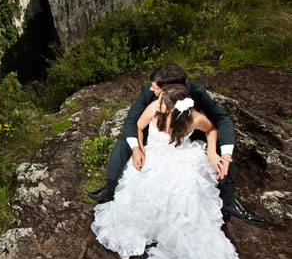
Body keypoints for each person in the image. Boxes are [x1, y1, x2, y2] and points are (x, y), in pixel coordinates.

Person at [91, 84, 252, 259]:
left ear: (177, 108)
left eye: (164, 102)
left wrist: (212, 153)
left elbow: (212, 129)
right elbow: (137, 125)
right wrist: (139, 150)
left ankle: (175, 241)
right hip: (154, 159)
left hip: (182, 162)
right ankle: (153, 229)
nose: (159, 102)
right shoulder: (154, 107)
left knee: (186, 197)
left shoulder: (194, 118)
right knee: (144, 189)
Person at [88, 63, 267, 222]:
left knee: (222, 149)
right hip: (155, 130)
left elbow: (220, 120)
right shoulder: (148, 94)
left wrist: (219, 153)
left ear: (169, 89)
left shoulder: (196, 92)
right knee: (123, 142)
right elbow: (132, 122)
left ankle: (228, 199)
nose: (152, 90)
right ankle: (110, 188)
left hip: (185, 132)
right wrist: (137, 149)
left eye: (155, 87)